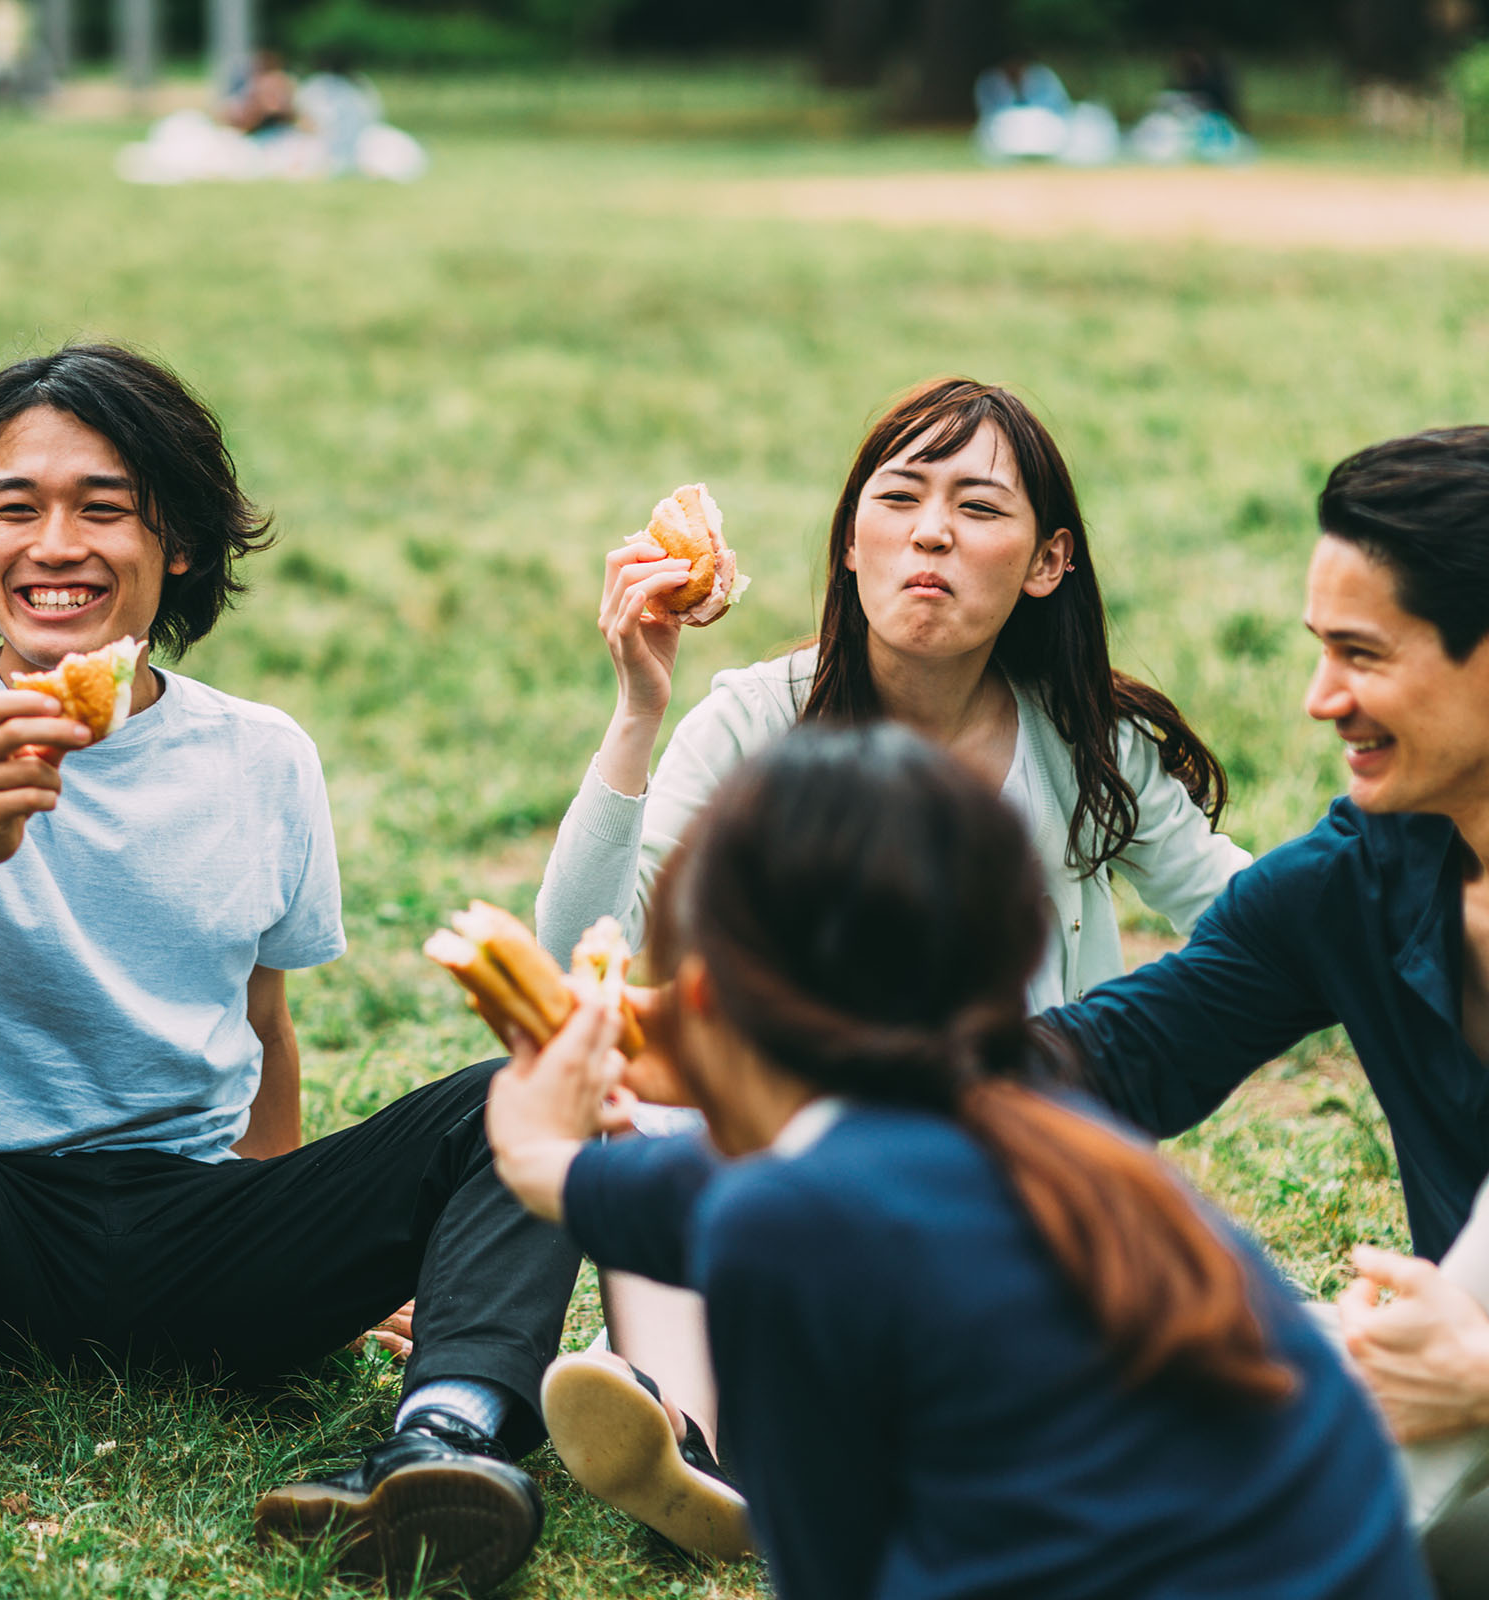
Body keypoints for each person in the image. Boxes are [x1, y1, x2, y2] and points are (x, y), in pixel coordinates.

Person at [0, 343, 580, 1594]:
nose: (53, 543)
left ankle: (442, 1441)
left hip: (195, 1229)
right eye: (15, 509)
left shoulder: (263, 755)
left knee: (532, 1088)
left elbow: (265, 1027)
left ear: (175, 544)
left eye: (101, 507)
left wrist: (298, 1248)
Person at [532, 376, 1248, 1553]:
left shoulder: (1089, 745)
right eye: (902, 497)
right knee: (649, 1113)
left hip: (1002, 1148)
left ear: (1047, 561)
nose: (931, 532)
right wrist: (635, 712)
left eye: (978, 507)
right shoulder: (756, 719)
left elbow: (1246, 917)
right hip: (782, 1134)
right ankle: (693, 1440)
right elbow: (576, 956)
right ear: (851, 542)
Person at [489, 721, 1430, 1599]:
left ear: (699, 993)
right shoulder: (1063, 1139)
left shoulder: (779, 1225)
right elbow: (753, 1197)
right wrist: (556, 1170)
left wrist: (542, 1145)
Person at [1034, 426, 1489, 1579]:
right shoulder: (1366, 879)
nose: (1318, 698)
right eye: (1316, 649)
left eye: (1362, 654)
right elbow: (1118, 1054)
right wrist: (779, 1059)